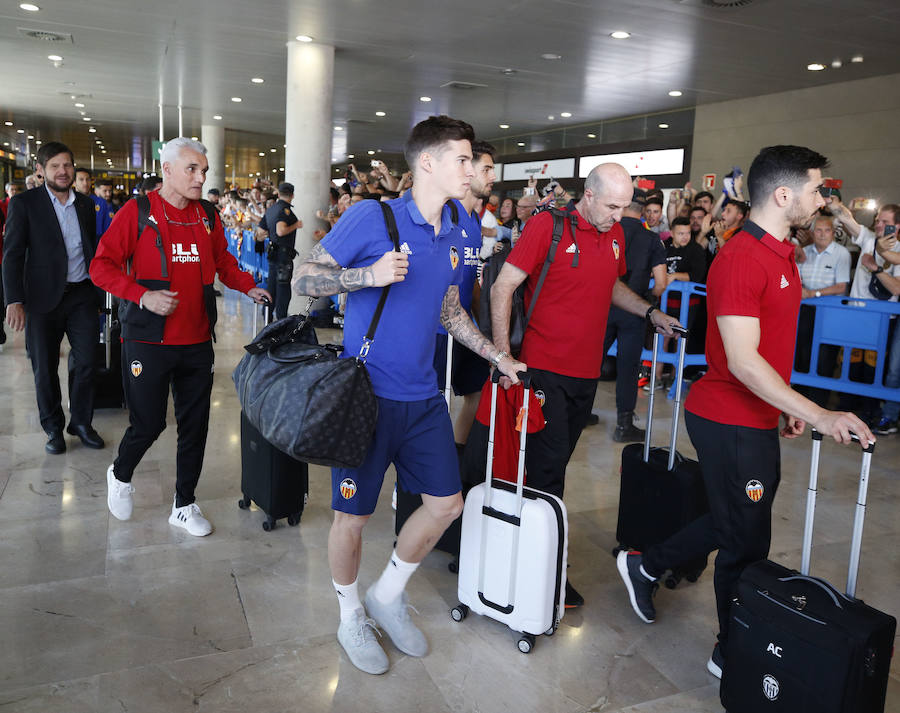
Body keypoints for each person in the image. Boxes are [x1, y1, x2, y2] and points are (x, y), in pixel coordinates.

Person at [615, 145, 875, 681]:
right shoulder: (741, 257)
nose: (820, 197)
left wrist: (783, 405)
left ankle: (646, 563)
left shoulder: (783, 252)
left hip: (755, 413)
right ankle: (731, 647)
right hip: (726, 417)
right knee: (746, 539)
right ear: (784, 195)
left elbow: (771, 348)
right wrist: (819, 412)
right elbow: (741, 359)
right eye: (814, 189)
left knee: (740, 520)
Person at [292, 115, 525, 676]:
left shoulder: (463, 229)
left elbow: (448, 308)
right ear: (428, 163)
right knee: (353, 516)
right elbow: (304, 279)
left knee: (447, 503)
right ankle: (350, 613)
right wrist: (363, 278)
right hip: (364, 396)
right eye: (464, 159)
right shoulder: (374, 216)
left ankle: (387, 594)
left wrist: (495, 354)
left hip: (423, 398)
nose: (473, 170)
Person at [489, 163, 681, 608]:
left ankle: (535, 558)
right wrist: (503, 357)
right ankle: (542, 570)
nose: (619, 214)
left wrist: (648, 312)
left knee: (555, 466)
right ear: (589, 196)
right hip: (542, 371)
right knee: (547, 470)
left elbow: (608, 284)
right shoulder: (547, 226)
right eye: (612, 205)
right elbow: (503, 288)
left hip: (585, 372)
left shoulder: (614, 234)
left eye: (624, 206)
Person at [90, 137, 271, 536]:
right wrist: (143, 295)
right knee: (149, 423)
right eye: (192, 169)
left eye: (204, 170)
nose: (201, 177)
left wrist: (248, 285)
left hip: (195, 341)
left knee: (196, 425)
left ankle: (184, 504)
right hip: (147, 340)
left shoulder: (207, 214)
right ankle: (120, 474)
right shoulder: (136, 212)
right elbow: (101, 267)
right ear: (167, 169)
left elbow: (223, 260)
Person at [3, 141, 104, 454]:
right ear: (40, 170)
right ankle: (53, 428)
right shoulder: (25, 204)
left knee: (88, 361)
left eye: (67, 165)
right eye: (55, 166)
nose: (63, 172)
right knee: (44, 368)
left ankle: (82, 422)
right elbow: (12, 255)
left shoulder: (86, 205)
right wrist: (13, 300)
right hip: (41, 300)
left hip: (82, 295)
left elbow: (89, 248)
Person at [434, 140, 495, 447]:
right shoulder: (448, 212)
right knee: (433, 405)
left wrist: (487, 323)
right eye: (487, 169)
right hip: (437, 331)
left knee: (478, 391)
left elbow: (469, 279)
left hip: (466, 327)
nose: (492, 176)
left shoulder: (473, 221)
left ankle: (454, 455)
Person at [600, 191, 667, 442]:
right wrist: (648, 299)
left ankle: (580, 414)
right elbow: (661, 283)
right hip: (635, 310)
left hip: (602, 307)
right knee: (628, 369)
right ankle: (623, 425)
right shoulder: (652, 239)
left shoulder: (607, 232)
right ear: (643, 209)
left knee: (590, 360)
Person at [793, 213, 851, 407]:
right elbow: (797, 280)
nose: (823, 234)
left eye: (827, 230)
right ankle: (799, 399)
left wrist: (813, 294)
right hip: (805, 310)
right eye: (818, 230)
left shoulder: (841, 254)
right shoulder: (804, 252)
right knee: (802, 352)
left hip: (830, 310)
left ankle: (819, 402)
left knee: (825, 356)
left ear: (833, 233)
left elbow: (841, 287)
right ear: (812, 232)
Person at [261, 182, 302, 320]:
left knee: (271, 287)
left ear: (278, 194)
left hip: (273, 252)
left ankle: (267, 316)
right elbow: (281, 230)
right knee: (283, 289)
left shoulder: (271, 209)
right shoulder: (285, 210)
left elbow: (261, 232)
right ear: (293, 195)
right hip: (283, 256)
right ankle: (281, 320)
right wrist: (296, 225)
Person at [75, 167, 113, 237]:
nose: (85, 183)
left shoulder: (101, 202)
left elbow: (107, 229)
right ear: (74, 182)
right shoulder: (69, 202)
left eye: (88, 179)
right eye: (81, 179)